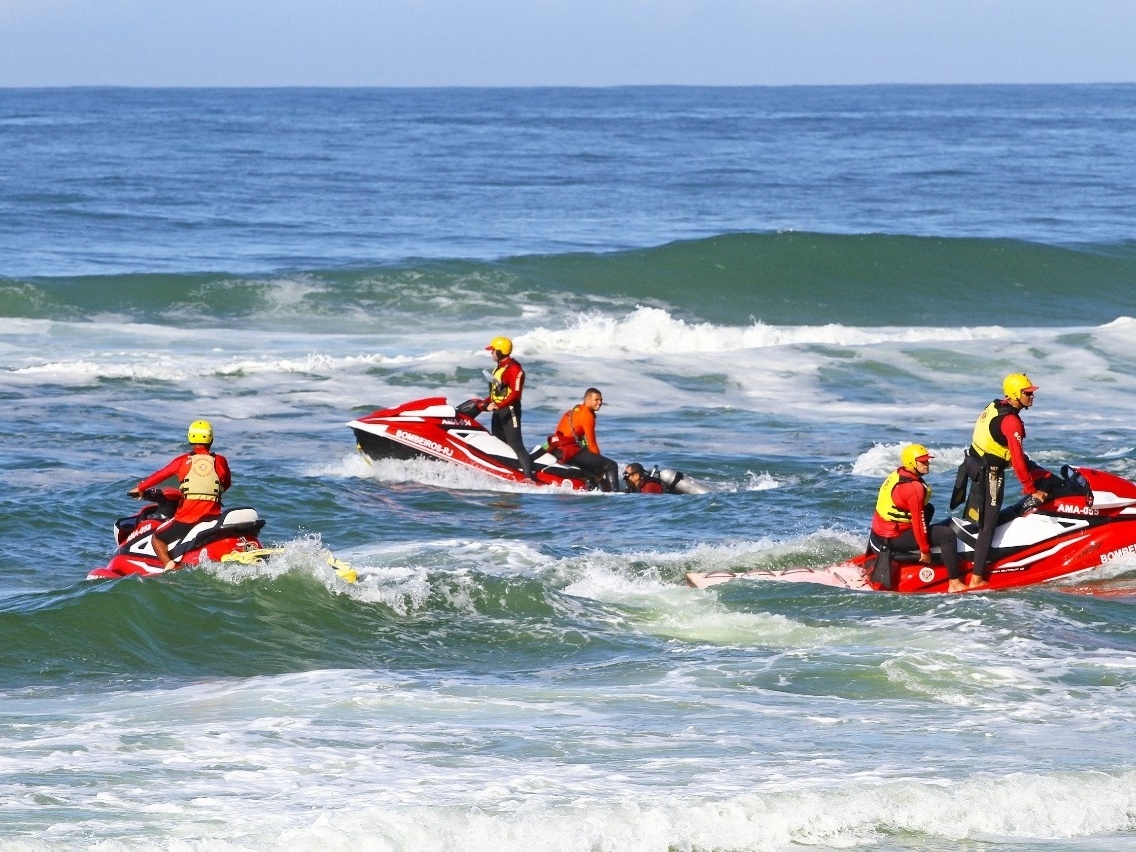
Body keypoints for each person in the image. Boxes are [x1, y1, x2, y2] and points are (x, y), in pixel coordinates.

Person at [952, 373, 1056, 590]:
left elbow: (1006, 450)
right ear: (1016, 395)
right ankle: (976, 578)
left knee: (982, 517)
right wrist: (1031, 490)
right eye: (1028, 393)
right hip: (989, 472)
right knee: (987, 526)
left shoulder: (995, 405)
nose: (1032, 397)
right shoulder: (1011, 422)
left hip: (974, 462)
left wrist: (1037, 470)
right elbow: (1016, 461)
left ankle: (971, 556)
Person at [128, 419, 231, 571]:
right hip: (213, 517)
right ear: (211, 439)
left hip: (188, 519)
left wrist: (140, 488)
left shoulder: (182, 461)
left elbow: (160, 475)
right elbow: (226, 484)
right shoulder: (220, 461)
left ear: (190, 438)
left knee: (157, 538)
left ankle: (169, 565)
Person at [868, 443, 964, 592]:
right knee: (947, 535)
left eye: (927, 460)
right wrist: (924, 550)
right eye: (923, 462)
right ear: (912, 463)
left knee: (929, 508)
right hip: (894, 537)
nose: (927, 464)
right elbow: (919, 523)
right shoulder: (914, 489)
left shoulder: (898, 474)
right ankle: (955, 583)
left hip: (880, 533)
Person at [481, 336, 534, 481]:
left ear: (499, 352)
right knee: (498, 442)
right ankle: (505, 472)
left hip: (510, 410)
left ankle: (529, 477)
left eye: (492, 351)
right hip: (498, 410)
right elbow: (496, 393)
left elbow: (516, 394)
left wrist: (499, 406)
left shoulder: (514, 369)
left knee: (516, 444)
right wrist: (483, 404)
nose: (491, 353)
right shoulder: (499, 367)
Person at [547, 388, 620, 492]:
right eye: (596, 400)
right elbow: (592, 445)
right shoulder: (587, 415)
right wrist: (599, 466)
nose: (600, 403)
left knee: (590, 461)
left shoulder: (575, 409)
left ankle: (590, 487)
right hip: (567, 451)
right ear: (587, 400)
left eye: (601, 400)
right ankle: (614, 494)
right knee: (610, 465)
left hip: (556, 448)